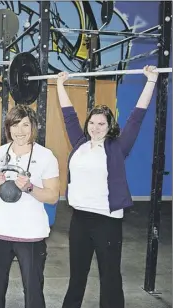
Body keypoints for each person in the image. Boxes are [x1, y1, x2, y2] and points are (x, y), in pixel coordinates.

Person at [56, 65, 159, 308]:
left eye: (101, 124)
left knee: (110, 278)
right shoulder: (80, 143)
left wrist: (151, 81)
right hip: (79, 219)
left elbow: (137, 116)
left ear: (109, 126)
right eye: (92, 123)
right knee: (76, 278)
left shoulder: (117, 147)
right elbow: (68, 114)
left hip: (107, 221)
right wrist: (60, 84)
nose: (95, 127)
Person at [0, 105, 60, 308]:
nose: (20, 131)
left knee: (33, 293)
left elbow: (53, 196)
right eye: (15, 125)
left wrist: (29, 188)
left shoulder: (46, 156)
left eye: (25, 125)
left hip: (31, 235)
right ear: (8, 128)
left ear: (33, 127)